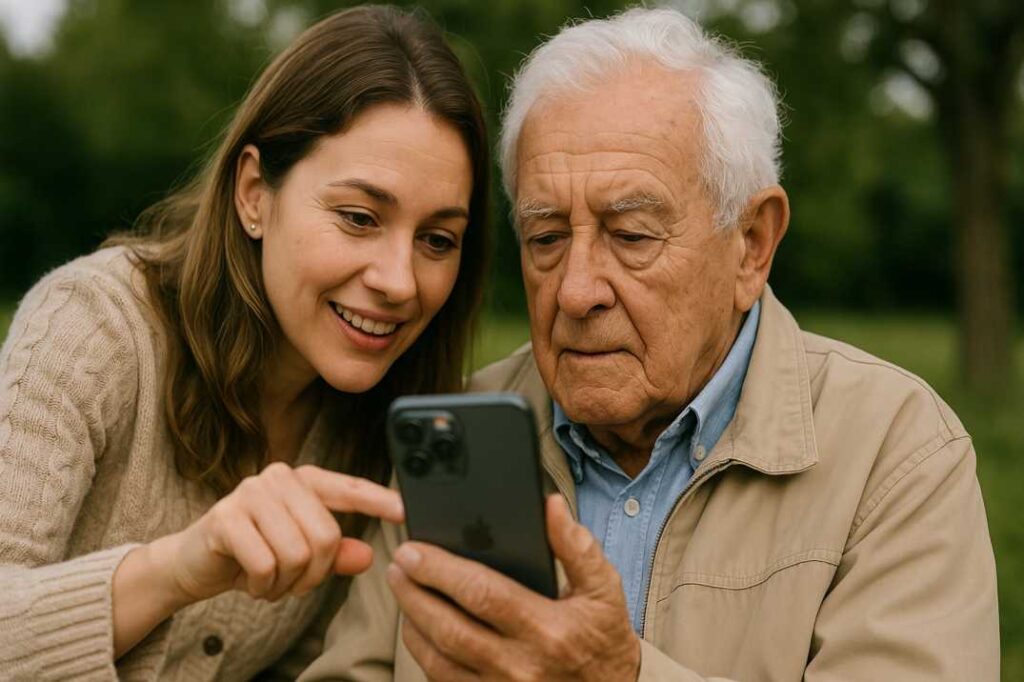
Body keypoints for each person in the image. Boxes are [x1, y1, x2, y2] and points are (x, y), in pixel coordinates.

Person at [300, 7, 1000, 681]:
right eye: (545, 238)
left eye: (631, 236)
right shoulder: (457, 434)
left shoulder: (895, 452)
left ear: (752, 246)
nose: (576, 292)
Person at [0, 5, 490, 680]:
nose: (399, 281)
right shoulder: (93, 328)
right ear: (255, 193)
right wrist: (176, 570)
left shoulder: (387, 423)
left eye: (437, 239)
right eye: (358, 218)